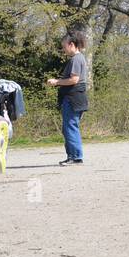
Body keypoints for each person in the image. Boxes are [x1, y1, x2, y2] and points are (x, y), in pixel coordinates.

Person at [46, 30, 89, 165]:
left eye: (64, 47)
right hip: (74, 98)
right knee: (68, 127)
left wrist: (57, 82)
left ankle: (76, 157)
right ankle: (72, 155)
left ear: (71, 44)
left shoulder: (76, 59)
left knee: (70, 127)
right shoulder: (78, 58)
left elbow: (74, 79)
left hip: (73, 98)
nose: (63, 50)